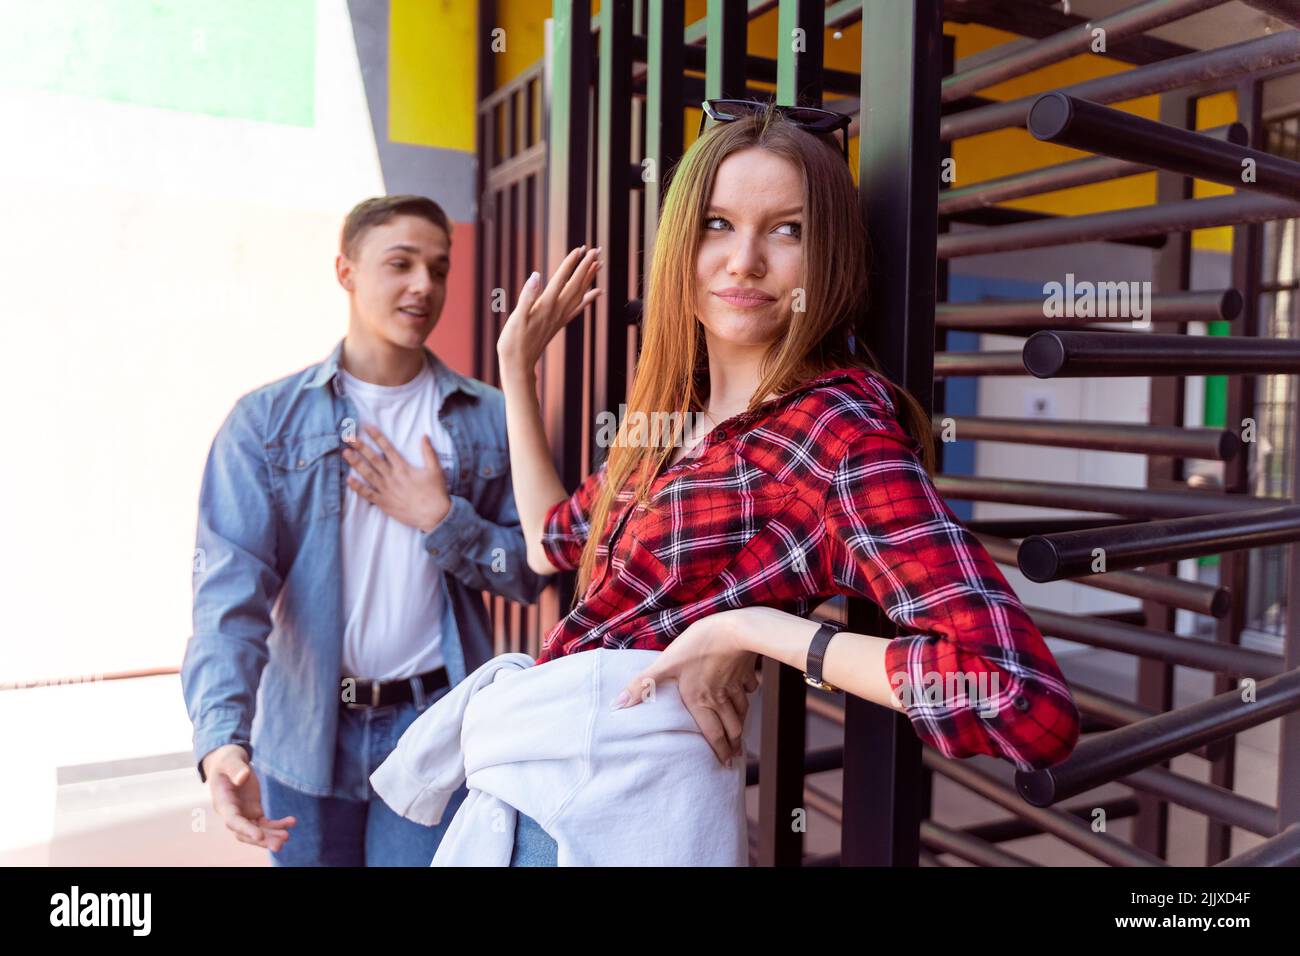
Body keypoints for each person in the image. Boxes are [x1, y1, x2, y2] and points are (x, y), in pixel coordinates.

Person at [494, 100, 1081, 865]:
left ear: (827, 256)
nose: (744, 260)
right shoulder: (670, 421)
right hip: (532, 786)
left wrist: (753, 630)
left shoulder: (836, 434)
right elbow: (548, 543)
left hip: (624, 817)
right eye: (717, 223)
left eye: (788, 229)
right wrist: (516, 372)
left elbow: (1021, 700)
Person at [182, 194, 546, 866]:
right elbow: (228, 601)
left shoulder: (489, 417)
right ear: (345, 270)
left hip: (433, 727)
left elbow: (532, 573)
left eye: (438, 268)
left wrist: (443, 520)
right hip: (306, 726)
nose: (424, 286)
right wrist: (222, 741)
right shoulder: (264, 425)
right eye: (400, 263)